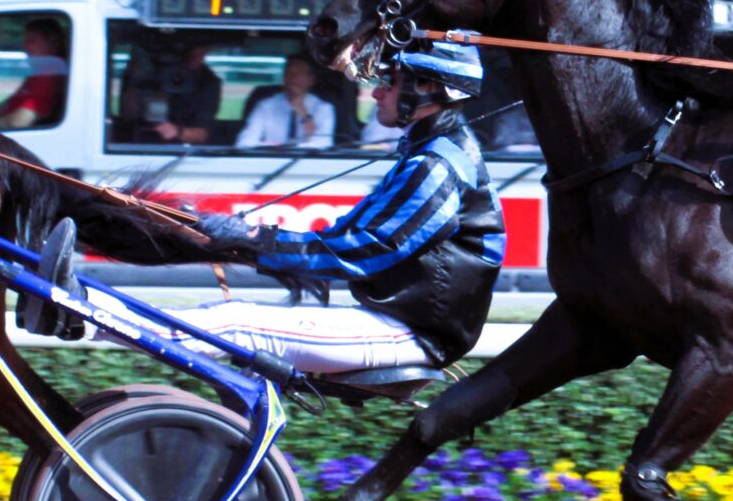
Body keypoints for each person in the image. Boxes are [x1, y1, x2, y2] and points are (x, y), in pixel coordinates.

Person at [38, 42, 505, 375]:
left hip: (413, 334)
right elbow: (346, 235)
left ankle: (79, 312)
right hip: (400, 320)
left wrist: (248, 242)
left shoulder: (439, 167)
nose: (377, 91)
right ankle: (83, 306)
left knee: (236, 324)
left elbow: (357, 253)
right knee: (230, 319)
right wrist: (244, 234)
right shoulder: (426, 153)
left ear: (426, 89)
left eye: (388, 81)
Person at [122, 41, 222, 144]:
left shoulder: (207, 83)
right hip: (138, 143)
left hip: (177, 150)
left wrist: (177, 131)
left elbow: (201, 135)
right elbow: (127, 115)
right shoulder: (146, 73)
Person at [0, 17, 69, 129]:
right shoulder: (40, 73)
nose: (25, 47)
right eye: (25, 41)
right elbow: (0, 110)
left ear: (53, 44)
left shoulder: (51, 72)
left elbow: (19, 121)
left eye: (32, 41)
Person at [236, 54, 336, 148]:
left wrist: (303, 112)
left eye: (299, 73)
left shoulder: (323, 109)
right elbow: (244, 143)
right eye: (289, 72)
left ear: (311, 80)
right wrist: (274, 147)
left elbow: (323, 144)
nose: (293, 78)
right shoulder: (265, 106)